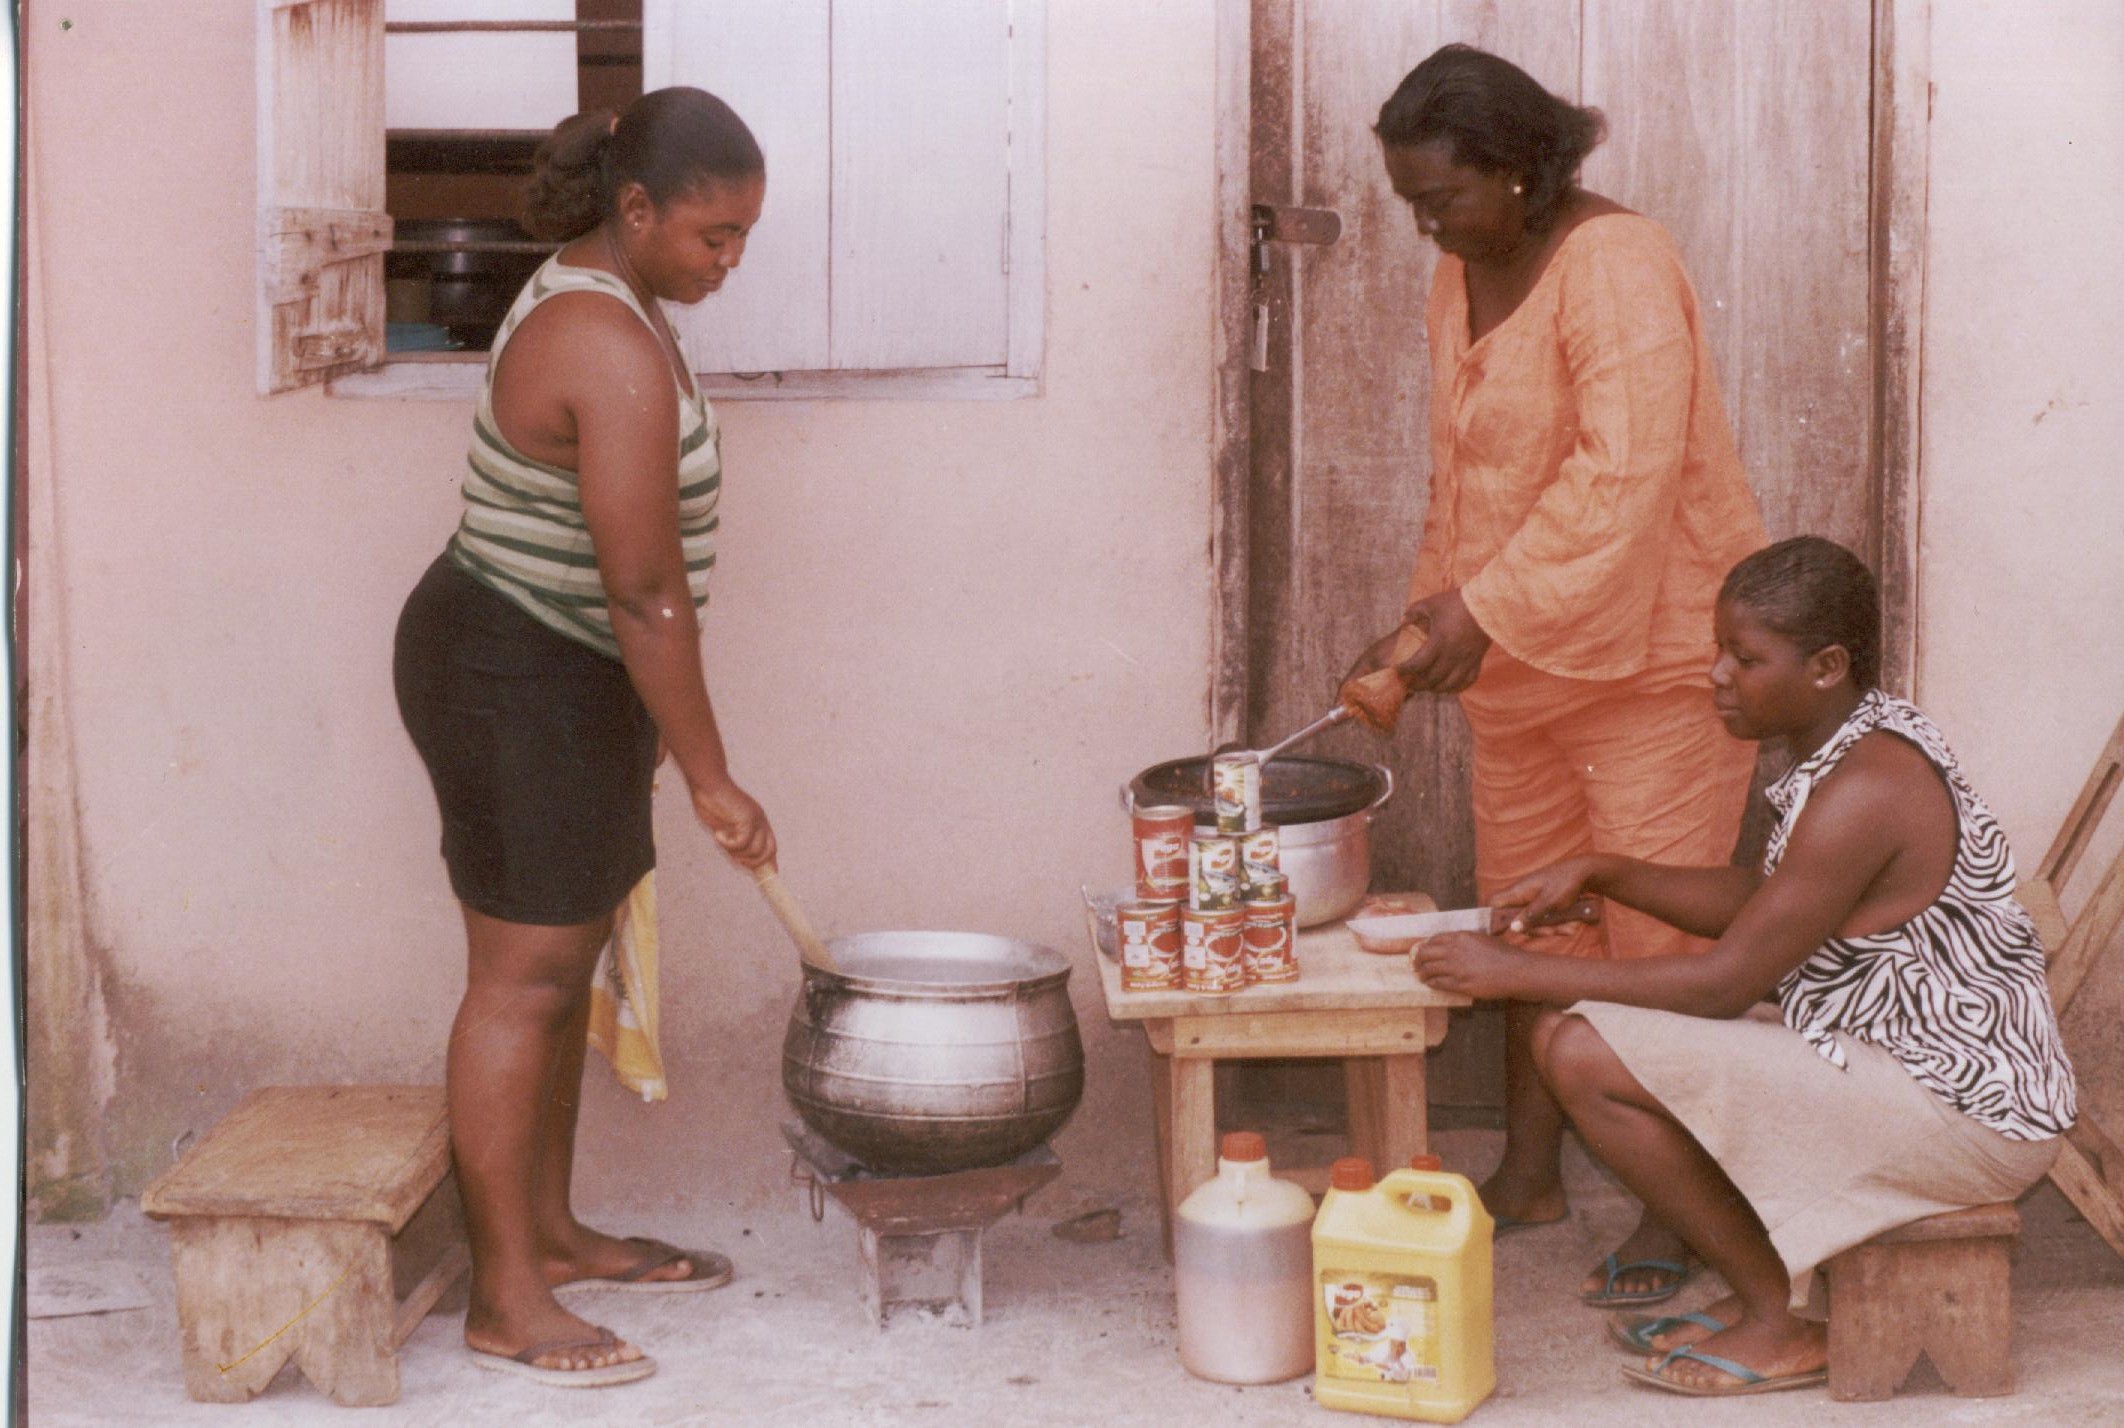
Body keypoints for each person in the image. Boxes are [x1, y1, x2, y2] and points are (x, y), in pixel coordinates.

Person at [1413, 537, 2077, 1396]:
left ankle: (1780, 1315)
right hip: (1907, 1069)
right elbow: (1770, 906)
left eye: (1746, 657)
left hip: (1968, 1114)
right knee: (1592, 1038)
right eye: (1718, 648)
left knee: (1579, 1048)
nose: (1717, 674)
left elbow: (1726, 980)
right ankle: (1773, 1293)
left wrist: (1512, 971)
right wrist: (1605, 871)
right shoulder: (1852, 742)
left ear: (1827, 666)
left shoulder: (1871, 786)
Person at [1341, 43, 1767, 1306]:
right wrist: (1423, 627)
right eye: (1411, 202)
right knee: (1527, 921)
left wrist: (1488, 603)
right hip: (1521, 677)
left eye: (1443, 198)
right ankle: (1529, 1171)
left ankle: (1673, 1209)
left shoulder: (1618, 263)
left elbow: (1622, 475)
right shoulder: (1457, 276)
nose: (1427, 224)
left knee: (1643, 936)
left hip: (1651, 663)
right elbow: (1462, 477)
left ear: (1523, 170)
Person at [393, 87, 777, 1388]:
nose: (728, 262)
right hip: (515, 668)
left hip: (562, 670)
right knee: (527, 977)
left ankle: (547, 1234)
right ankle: (505, 1296)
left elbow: (634, 598)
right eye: (713, 237)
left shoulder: (617, 299)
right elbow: (643, 589)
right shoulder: (601, 340)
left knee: (558, 972)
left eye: (743, 240)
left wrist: (661, 735)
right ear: (636, 209)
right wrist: (715, 775)